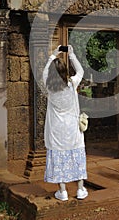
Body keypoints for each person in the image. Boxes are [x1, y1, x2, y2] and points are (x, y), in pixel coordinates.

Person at [42, 44, 88, 201]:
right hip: (72, 127)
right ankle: (81, 189)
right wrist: (71, 55)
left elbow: (44, 72)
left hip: (56, 128)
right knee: (76, 153)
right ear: (64, 72)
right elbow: (81, 71)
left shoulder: (48, 87)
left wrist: (53, 56)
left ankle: (63, 191)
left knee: (59, 156)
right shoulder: (72, 84)